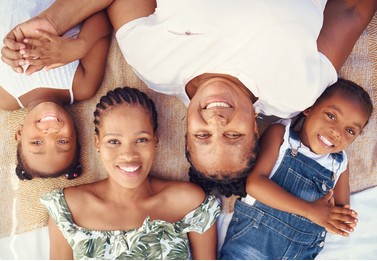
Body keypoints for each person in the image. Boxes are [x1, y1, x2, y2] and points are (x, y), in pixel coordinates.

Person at [2, 0, 376, 195]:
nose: (216, 123)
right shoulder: (296, 92)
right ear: (256, 130)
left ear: (183, 127)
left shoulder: (154, 63)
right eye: (233, 136)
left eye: (202, 136)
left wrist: (53, 22)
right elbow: (352, 10)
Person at [40, 87, 221, 260]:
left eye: (141, 140)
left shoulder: (190, 203)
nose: (128, 155)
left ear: (155, 139)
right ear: (97, 143)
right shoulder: (67, 209)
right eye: (113, 141)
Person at [219, 78, 373, 259]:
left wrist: (341, 220)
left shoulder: (339, 164)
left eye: (350, 131)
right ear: (309, 108)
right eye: (331, 116)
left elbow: (340, 209)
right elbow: (254, 185)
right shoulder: (282, 137)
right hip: (253, 244)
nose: (337, 132)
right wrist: (311, 210)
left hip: (300, 254)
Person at [0, 0, 112, 180]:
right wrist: (80, 46)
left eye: (37, 142)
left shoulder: (4, 97)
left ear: (19, 133)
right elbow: (102, 16)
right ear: (75, 132)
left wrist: (8, 51)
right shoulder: (82, 85)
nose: (50, 132)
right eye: (62, 141)